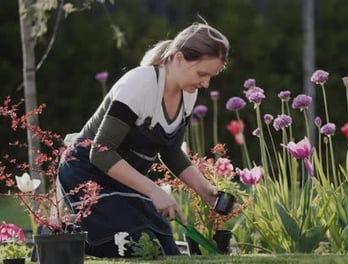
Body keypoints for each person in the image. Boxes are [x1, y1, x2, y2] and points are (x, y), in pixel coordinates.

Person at [57, 22, 230, 257]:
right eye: (202, 73)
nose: (206, 83)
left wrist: (206, 191)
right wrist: (155, 191)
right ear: (179, 58)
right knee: (136, 244)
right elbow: (101, 152)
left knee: (165, 248)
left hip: (123, 182)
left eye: (211, 76)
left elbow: (170, 150)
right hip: (85, 175)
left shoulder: (188, 93)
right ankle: (61, 238)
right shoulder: (140, 83)